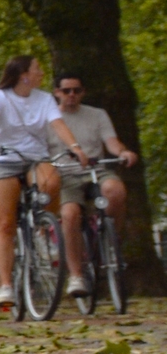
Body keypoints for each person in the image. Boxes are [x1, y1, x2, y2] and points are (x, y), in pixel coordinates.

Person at [0, 54, 94, 309]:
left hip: (35, 157)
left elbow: (58, 124)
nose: (41, 73)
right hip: (4, 159)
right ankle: (6, 286)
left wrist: (74, 146)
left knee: (51, 182)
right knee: (6, 223)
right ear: (24, 75)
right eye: (37, 69)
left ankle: (44, 228)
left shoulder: (44, 99)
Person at [51, 70, 140, 297]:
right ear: (57, 92)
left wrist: (123, 152)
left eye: (76, 90)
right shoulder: (48, 119)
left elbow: (111, 142)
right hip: (66, 175)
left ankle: (109, 237)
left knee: (116, 190)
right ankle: (76, 275)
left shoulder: (97, 115)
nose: (71, 95)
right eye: (66, 90)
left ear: (83, 92)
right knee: (70, 214)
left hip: (95, 170)